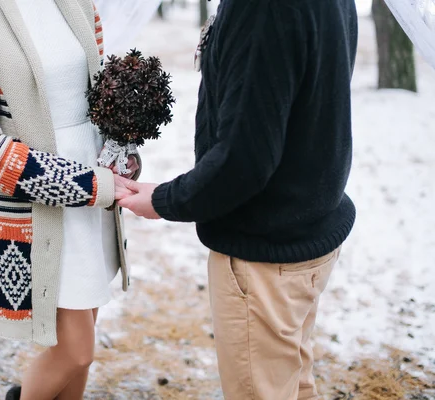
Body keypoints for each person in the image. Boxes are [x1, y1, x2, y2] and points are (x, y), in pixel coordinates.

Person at [116, 0, 358, 398]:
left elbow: (243, 162)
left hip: (266, 259)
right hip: (306, 235)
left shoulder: (262, 10)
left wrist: (164, 200)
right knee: (294, 387)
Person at [0, 0, 139, 399]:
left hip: (92, 194)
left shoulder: (79, 2)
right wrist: (89, 186)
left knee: (84, 333)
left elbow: (98, 95)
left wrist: (122, 146)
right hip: (33, 206)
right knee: (76, 352)